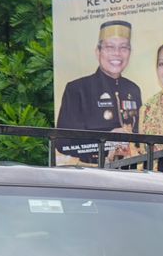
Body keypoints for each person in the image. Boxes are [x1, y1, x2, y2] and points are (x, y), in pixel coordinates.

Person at [55, 20, 141, 165]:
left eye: (123, 48)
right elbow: (63, 141)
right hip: (90, 171)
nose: (117, 53)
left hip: (131, 170)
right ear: (98, 52)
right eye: (109, 47)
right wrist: (107, 138)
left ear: (130, 53)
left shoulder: (133, 89)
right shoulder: (77, 89)